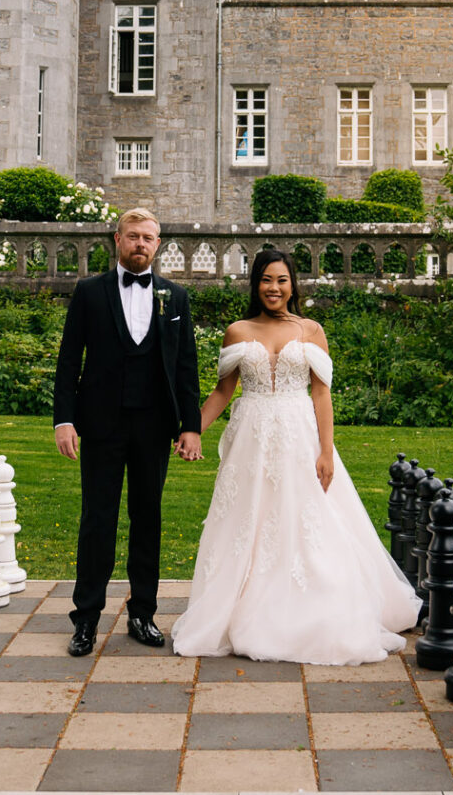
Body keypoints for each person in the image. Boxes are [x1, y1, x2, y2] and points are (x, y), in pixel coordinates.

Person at [172, 248, 421, 664]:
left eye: (281, 280)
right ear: (256, 284)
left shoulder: (311, 330)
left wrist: (326, 451)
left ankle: (314, 607)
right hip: (250, 438)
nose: (274, 288)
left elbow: (321, 394)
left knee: (305, 520)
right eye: (266, 280)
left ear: (293, 285)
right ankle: (240, 607)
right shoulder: (237, 331)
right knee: (248, 521)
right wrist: (192, 430)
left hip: (298, 435)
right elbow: (223, 392)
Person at [51, 208, 203, 657]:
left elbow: (186, 368)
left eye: (149, 238)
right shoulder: (89, 293)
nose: (141, 244)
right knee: (97, 520)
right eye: (133, 236)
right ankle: (86, 619)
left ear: (158, 245)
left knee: (147, 519)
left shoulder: (174, 298)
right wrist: (65, 419)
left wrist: (190, 426)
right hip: (100, 425)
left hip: (154, 426)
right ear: (117, 239)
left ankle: (143, 613)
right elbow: (67, 362)